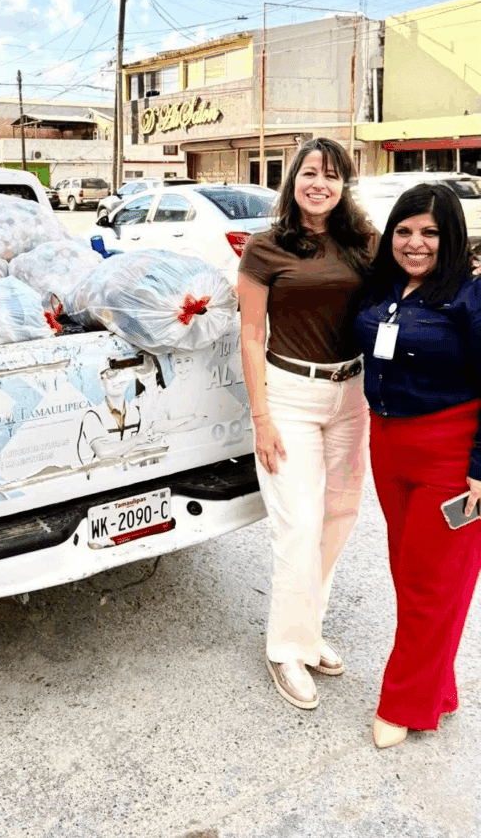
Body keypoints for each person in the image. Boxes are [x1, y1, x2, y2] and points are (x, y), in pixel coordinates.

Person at [238, 137, 378, 710]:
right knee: (297, 524)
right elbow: (249, 336)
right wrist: (261, 417)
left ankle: (307, 630)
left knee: (340, 516)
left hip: (353, 394)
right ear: (293, 180)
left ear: (345, 185)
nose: (319, 184)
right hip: (290, 394)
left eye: (332, 176)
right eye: (310, 173)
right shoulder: (265, 247)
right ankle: (285, 649)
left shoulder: (364, 243)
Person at [354, 183, 481, 748]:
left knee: (433, 583)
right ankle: (438, 686)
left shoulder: (470, 297)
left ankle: (404, 703)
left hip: (451, 457)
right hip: (388, 443)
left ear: (450, 235)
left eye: (429, 232)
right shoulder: (386, 287)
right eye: (404, 230)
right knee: (411, 572)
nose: (415, 242)